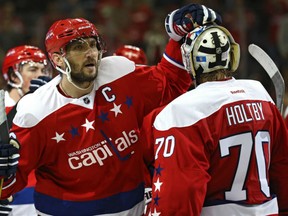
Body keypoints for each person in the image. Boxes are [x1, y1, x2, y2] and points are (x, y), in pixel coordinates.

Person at [0, 4, 222, 216]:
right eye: (79, 47)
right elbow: (8, 183)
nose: (91, 53)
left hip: (134, 208)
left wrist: (177, 37)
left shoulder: (119, 73)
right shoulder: (35, 112)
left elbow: (170, 83)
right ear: (58, 59)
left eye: (93, 44)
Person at [143, 24, 288, 215]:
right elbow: (282, 167)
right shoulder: (260, 93)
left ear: (190, 61)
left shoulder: (183, 111)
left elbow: (180, 195)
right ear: (231, 56)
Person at [0, 45, 52, 216]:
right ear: (14, 76)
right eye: (33, 69)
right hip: (12, 197)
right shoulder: (1, 106)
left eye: (44, 69)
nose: (42, 75)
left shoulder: (52, 106)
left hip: (47, 195)